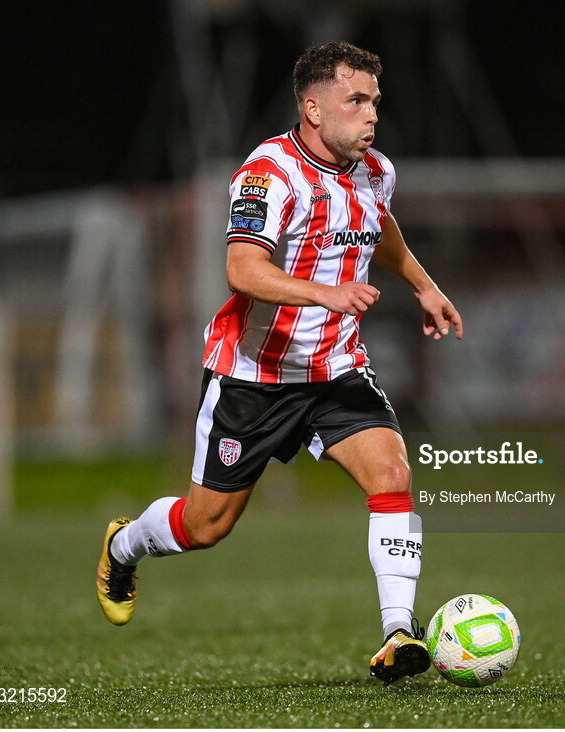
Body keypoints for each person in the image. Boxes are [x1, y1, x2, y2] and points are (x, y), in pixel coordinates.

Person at [95, 42, 463, 684]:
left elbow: (381, 227)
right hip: (254, 378)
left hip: (337, 370)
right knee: (205, 526)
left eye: (375, 101)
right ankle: (123, 544)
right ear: (314, 109)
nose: (372, 114)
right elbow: (242, 267)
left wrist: (423, 284)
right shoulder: (268, 173)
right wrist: (324, 292)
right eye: (357, 101)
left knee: (392, 475)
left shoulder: (374, 172)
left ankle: (399, 631)